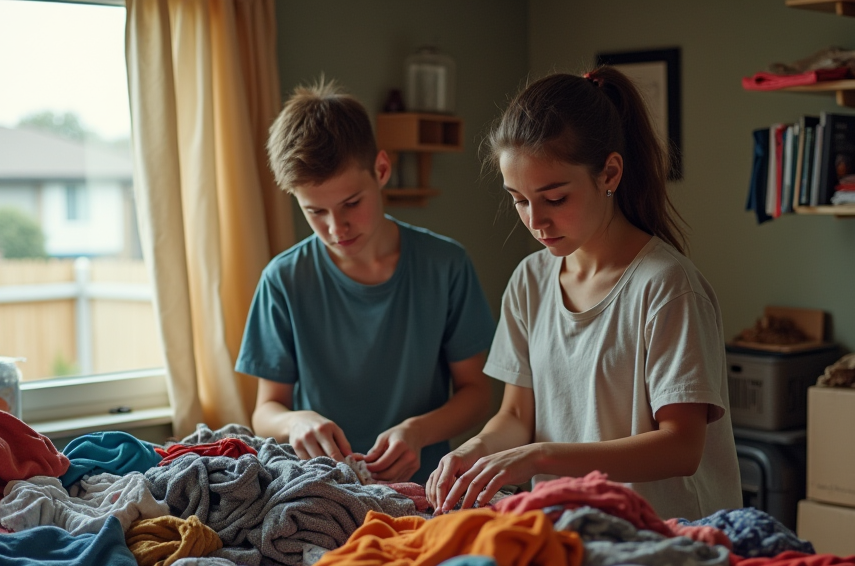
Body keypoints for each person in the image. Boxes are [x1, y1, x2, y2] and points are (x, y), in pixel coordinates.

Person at [427, 65, 742, 524]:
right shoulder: (530, 280)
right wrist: (475, 451)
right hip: (570, 531)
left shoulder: (667, 287)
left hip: (667, 537)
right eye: (518, 199)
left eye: (554, 198)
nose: (536, 221)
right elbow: (516, 415)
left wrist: (539, 458)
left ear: (609, 173)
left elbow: (681, 447)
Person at [236, 79, 495, 485]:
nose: (336, 228)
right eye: (315, 212)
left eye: (351, 204)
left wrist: (419, 431)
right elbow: (266, 410)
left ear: (381, 169)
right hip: (319, 491)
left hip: (423, 489)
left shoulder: (446, 266)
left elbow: (477, 393)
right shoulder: (282, 280)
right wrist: (296, 422)